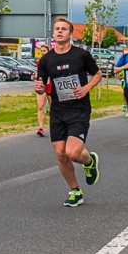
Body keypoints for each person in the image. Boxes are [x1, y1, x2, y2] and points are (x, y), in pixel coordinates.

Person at [35, 17, 102, 208]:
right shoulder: (46, 60)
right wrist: (39, 88)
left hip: (79, 109)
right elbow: (42, 86)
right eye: (57, 29)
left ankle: (89, 161)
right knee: (60, 154)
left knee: (72, 153)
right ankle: (75, 190)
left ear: (70, 34)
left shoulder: (81, 55)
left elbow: (97, 74)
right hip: (58, 110)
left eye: (63, 29)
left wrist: (86, 88)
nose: (59, 31)